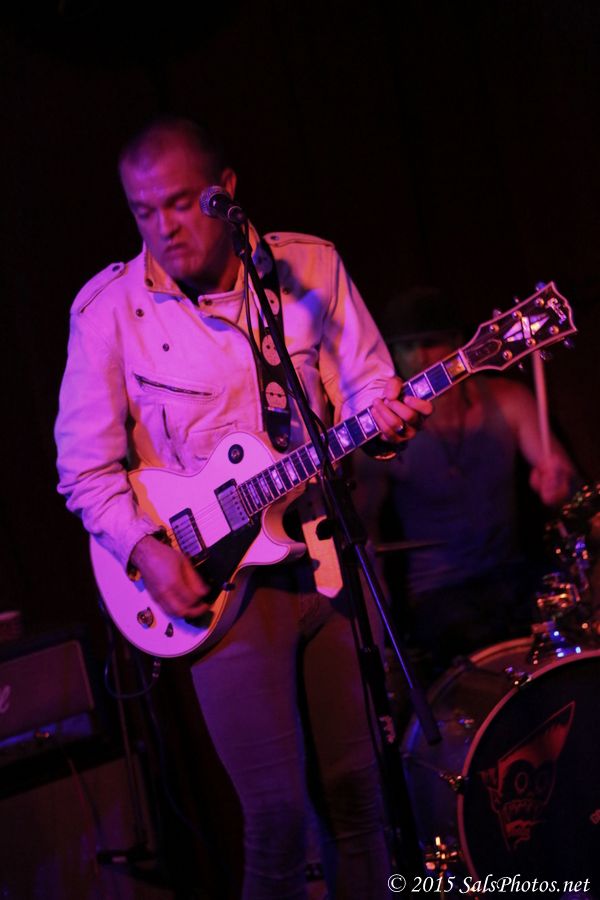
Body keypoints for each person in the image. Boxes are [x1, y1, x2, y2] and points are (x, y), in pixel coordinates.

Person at [54, 117, 432, 899]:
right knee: (277, 822)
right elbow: (84, 469)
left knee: (364, 799)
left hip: (325, 554)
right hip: (220, 586)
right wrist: (145, 550)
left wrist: (388, 423)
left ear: (224, 193)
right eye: (144, 211)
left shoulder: (307, 269)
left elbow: (367, 387)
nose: (164, 228)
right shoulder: (108, 311)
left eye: (181, 203)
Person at [353, 286, 578, 684]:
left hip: (514, 575)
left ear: (458, 342)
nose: (420, 358)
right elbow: (364, 529)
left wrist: (558, 483)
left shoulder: (509, 400)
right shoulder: (386, 437)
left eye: (431, 342)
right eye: (407, 347)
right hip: (438, 595)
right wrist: (381, 615)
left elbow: (565, 483)